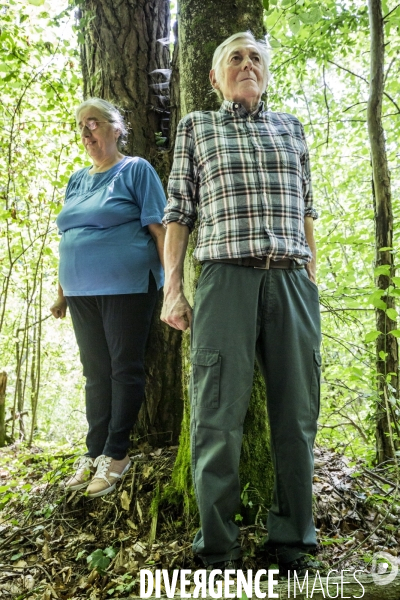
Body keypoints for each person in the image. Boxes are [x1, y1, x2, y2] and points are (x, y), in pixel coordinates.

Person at [161, 31, 321, 575]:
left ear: (266, 73)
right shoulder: (197, 128)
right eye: (236, 58)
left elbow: (306, 210)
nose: (247, 64)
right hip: (225, 281)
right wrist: (173, 288)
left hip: (292, 281)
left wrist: (312, 279)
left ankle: (294, 544)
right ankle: (218, 550)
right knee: (215, 419)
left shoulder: (291, 129)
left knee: (296, 417)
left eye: (256, 58)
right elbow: (178, 212)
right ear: (215, 77)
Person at [50, 98, 166, 498]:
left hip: (128, 285)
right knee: (94, 372)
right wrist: (61, 292)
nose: (86, 132)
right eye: (81, 125)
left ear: (117, 128)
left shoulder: (136, 170)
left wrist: (174, 288)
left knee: (123, 369)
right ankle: (93, 450)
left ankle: (117, 454)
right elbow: (69, 237)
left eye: (94, 123)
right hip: (80, 290)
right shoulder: (77, 179)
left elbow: (159, 229)